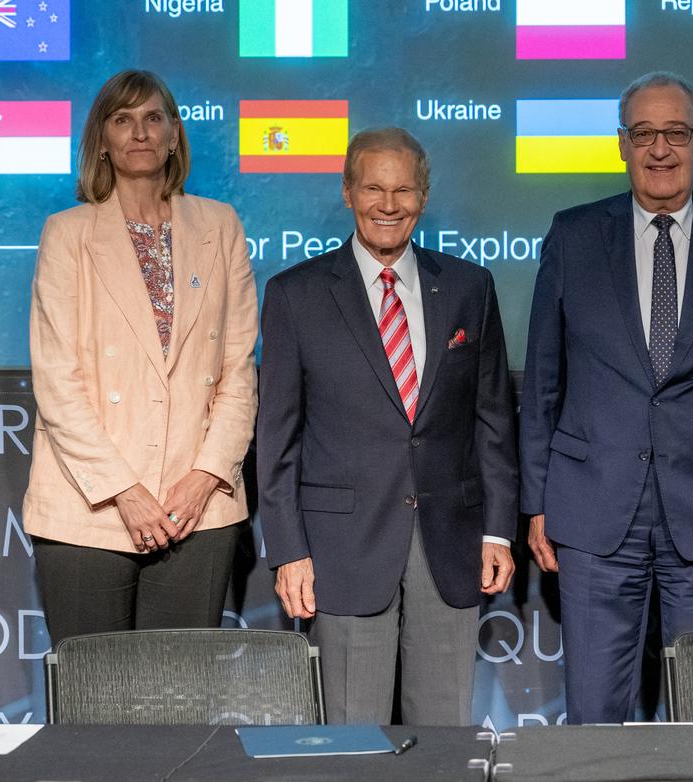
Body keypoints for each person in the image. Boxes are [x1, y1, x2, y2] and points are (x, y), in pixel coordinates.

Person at [519, 72, 693, 724]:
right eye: (644, 133)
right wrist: (536, 502)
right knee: (594, 716)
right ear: (621, 144)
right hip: (592, 515)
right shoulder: (574, 236)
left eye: (675, 132)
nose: (660, 149)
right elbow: (542, 383)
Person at [258, 127, 517, 725]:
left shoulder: (470, 288)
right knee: (351, 741)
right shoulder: (295, 295)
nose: (389, 204)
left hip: (449, 546)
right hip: (340, 550)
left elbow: (493, 421)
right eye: (373, 188)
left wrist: (499, 531)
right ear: (348, 192)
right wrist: (288, 550)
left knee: (444, 740)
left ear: (423, 198)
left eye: (403, 190)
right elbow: (277, 439)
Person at [24, 70, 258, 644]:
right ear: (101, 139)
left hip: (196, 510)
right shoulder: (67, 234)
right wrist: (124, 492)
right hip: (88, 507)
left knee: (176, 707)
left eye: (154, 118)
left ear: (175, 135)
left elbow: (237, 371)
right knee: (92, 702)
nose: (140, 132)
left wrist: (204, 478)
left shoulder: (219, 225)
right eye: (122, 120)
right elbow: (57, 380)